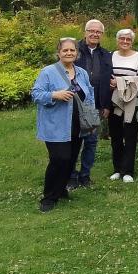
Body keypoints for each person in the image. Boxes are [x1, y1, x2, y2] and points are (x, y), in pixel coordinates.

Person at [32, 38, 96, 212]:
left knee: (70, 159)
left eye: (72, 50)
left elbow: (89, 94)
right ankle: (48, 197)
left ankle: (60, 190)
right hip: (56, 125)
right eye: (65, 50)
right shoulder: (48, 72)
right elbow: (36, 94)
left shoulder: (81, 72)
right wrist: (54, 95)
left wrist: (91, 117)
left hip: (78, 125)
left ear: (77, 53)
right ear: (59, 53)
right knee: (59, 159)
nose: (69, 53)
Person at [68, 19, 112, 189]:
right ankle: (71, 176)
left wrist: (106, 105)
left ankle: (85, 175)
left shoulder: (106, 55)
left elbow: (109, 81)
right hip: (74, 104)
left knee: (91, 142)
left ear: (102, 34)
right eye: (91, 31)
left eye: (98, 32)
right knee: (73, 142)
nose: (94, 34)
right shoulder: (74, 51)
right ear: (85, 32)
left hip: (94, 106)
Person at [108, 28, 138, 183]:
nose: (125, 41)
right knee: (116, 136)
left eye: (128, 39)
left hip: (133, 101)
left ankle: (128, 171)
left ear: (132, 41)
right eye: (122, 39)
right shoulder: (111, 56)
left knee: (130, 136)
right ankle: (117, 169)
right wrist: (112, 83)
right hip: (114, 101)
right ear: (117, 40)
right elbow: (107, 76)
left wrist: (120, 81)